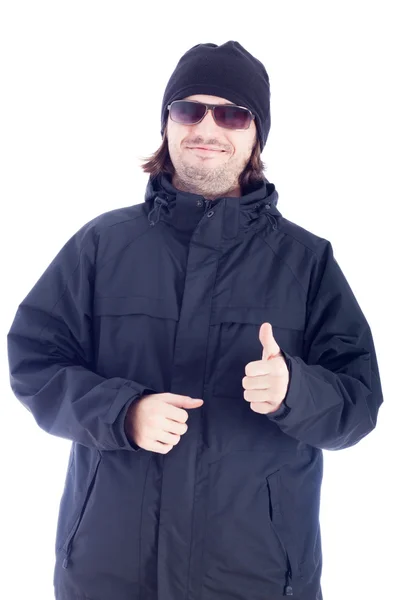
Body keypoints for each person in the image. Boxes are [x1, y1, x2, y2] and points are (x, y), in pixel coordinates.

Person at [7, 40, 383, 600]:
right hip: (108, 575)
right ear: (167, 125)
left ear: (256, 134)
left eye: (232, 113)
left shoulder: (307, 262)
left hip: (255, 579)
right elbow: (34, 361)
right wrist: (122, 412)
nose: (207, 127)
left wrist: (294, 390)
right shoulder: (101, 245)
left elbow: (359, 404)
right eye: (189, 109)